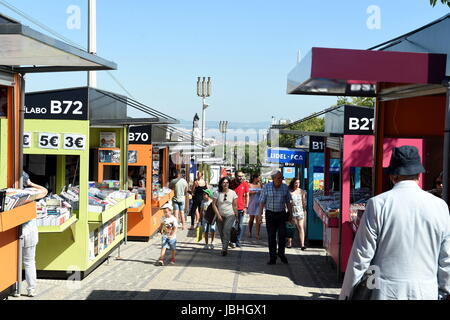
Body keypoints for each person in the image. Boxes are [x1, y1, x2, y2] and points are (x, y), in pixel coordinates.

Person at [339, 146, 450, 300]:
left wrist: (347, 294)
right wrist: (444, 291)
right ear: (418, 175)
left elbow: (361, 257)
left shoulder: (378, 204)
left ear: (393, 176)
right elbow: (446, 258)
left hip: (385, 292)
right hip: (426, 291)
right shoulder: (440, 207)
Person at [21, 171, 48, 297]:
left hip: (17, 231)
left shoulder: (12, 194)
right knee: (29, 261)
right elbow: (44, 191)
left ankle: (13, 287)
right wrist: (30, 183)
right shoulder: (30, 194)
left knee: (13, 259)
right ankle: (31, 289)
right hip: (30, 231)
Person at [258, 171, 293, 265]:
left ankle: (281, 254)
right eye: (278, 178)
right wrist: (260, 215)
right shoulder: (266, 187)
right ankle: (272, 257)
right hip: (270, 214)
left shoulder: (285, 187)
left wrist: (290, 213)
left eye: (282, 178)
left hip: (281, 214)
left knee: (282, 235)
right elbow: (261, 202)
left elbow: (288, 202)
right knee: (271, 236)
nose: (280, 180)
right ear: (273, 179)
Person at [212, 176, 238, 256]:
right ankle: (225, 245)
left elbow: (235, 206)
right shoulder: (217, 192)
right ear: (221, 184)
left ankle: (224, 249)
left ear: (229, 184)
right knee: (221, 233)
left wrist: (236, 216)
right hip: (220, 215)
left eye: (227, 182)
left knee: (226, 230)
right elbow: (214, 205)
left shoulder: (233, 193)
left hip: (230, 215)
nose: (225, 184)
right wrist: (218, 215)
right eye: (224, 182)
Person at [230, 171, 249, 248]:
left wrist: (246, 207)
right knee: (232, 226)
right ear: (235, 176)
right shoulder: (231, 183)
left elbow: (247, 195)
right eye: (239, 176)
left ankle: (237, 241)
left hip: (241, 208)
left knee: (240, 226)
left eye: (242, 176)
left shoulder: (245, 184)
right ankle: (232, 241)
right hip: (231, 208)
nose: (241, 178)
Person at [287, 178, 307, 250]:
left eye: (298, 183)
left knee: (301, 227)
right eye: (296, 183)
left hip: (300, 210)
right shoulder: (289, 191)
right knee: (291, 227)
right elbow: (288, 202)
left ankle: (302, 244)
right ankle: (289, 242)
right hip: (292, 210)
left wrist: (304, 211)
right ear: (293, 183)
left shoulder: (302, 191)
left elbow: (304, 202)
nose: (297, 184)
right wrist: (289, 211)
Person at [155, 202, 178, 266]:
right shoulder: (163, 218)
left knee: (172, 248)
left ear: (170, 211)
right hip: (164, 236)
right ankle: (161, 259)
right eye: (164, 212)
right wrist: (159, 230)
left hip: (172, 237)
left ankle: (173, 258)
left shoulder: (173, 219)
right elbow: (161, 225)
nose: (165, 213)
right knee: (163, 247)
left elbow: (175, 228)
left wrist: (173, 235)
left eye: (166, 212)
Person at [247, 174, 263, 240]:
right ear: (254, 178)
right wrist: (255, 192)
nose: (259, 179)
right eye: (258, 178)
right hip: (252, 203)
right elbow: (248, 193)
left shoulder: (260, 185)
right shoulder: (249, 184)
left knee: (258, 219)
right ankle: (250, 231)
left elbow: (263, 193)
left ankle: (257, 234)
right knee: (251, 219)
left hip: (259, 204)